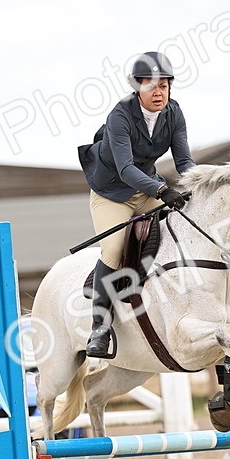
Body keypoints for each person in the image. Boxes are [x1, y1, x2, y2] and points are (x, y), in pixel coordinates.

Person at [77, 51, 197, 357]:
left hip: (146, 189)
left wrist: (198, 187)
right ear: (137, 88)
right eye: (151, 86)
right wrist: (161, 190)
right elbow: (125, 169)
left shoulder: (174, 113)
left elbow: (184, 162)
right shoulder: (120, 116)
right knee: (115, 249)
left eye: (164, 86)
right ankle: (100, 329)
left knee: (183, 228)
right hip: (112, 193)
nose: (158, 92)